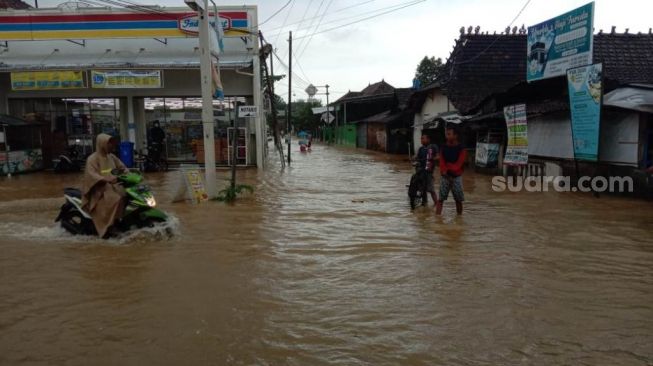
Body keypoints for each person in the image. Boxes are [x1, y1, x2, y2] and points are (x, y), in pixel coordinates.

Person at [82, 133, 127, 238]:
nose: (112, 146)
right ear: (102, 144)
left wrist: (128, 172)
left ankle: (121, 220)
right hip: (99, 190)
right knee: (116, 199)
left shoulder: (111, 157)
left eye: (112, 143)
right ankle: (109, 226)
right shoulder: (92, 159)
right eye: (109, 144)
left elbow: (122, 167)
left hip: (113, 186)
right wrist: (104, 179)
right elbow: (91, 175)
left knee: (126, 194)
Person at [436, 126, 466, 215]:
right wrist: (444, 171)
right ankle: (437, 218)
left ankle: (459, 218)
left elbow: (459, 164)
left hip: (456, 176)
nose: (447, 136)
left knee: (458, 200)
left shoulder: (462, 148)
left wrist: (448, 168)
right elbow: (441, 161)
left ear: (455, 136)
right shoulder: (443, 147)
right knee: (440, 199)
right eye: (446, 134)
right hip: (445, 176)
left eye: (449, 134)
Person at [414, 133, 438, 205]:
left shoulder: (433, 147)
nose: (421, 140)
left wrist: (431, 159)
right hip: (421, 171)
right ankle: (425, 204)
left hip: (429, 171)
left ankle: (436, 204)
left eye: (423, 138)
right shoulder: (421, 149)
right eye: (421, 138)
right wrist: (414, 159)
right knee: (422, 190)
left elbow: (438, 156)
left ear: (428, 139)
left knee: (431, 190)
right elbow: (417, 158)